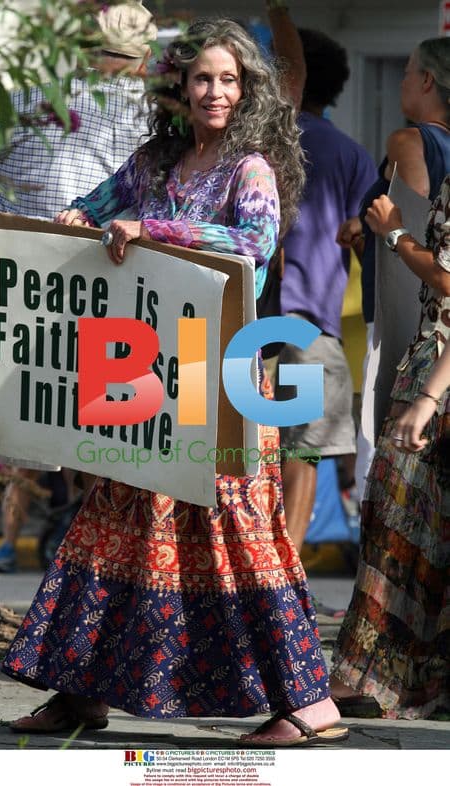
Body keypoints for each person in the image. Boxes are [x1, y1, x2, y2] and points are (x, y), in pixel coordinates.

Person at [2, 18, 348, 747]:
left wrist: (155, 231)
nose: (215, 92)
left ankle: (310, 704)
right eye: (202, 79)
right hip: (145, 374)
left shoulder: (250, 169)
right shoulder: (155, 162)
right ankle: (80, 692)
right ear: (179, 88)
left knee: (237, 530)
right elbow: (101, 206)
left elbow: (253, 245)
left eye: (229, 79)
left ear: (246, 90)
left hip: (220, 374)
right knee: (115, 521)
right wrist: (79, 216)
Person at [0, 0, 157, 630]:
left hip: (19, 298)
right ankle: (100, 599)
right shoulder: (158, 120)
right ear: (144, 58)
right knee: (112, 448)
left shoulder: (30, 101)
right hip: (113, 303)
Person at [330, 177, 450, 719]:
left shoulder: (414, 148)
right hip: (433, 368)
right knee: (418, 532)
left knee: (399, 526)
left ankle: (371, 677)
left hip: (435, 368)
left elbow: (447, 282)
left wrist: (394, 231)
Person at [261, 22, 376, 557]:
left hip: (238, 320)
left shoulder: (248, 138)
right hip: (309, 328)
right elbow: (365, 240)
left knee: (222, 448)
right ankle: (285, 572)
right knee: (301, 453)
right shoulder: (350, 155)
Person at [337, 37, 450, 502]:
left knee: (385, 469)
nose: (402, 82)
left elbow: (418, 237)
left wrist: (389, 233)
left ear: (426, 80)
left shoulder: (410, 142)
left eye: (407, 72)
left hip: (413, 329)